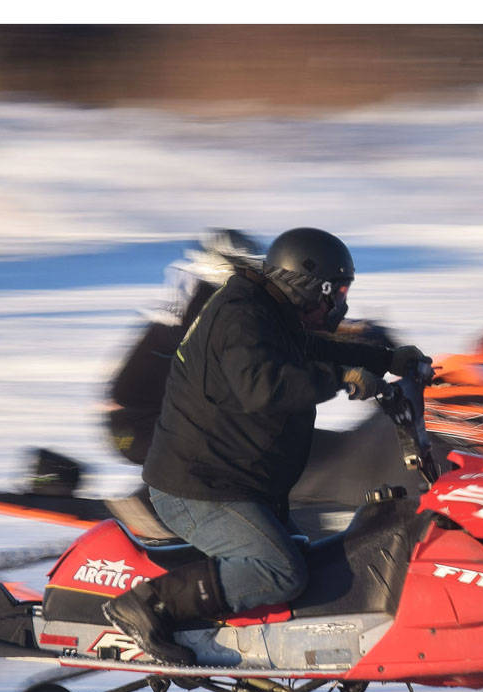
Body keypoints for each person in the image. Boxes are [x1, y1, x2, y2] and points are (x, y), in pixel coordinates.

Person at [102, 227, 428, 664]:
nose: (340, 304)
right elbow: (262, 386)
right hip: (198, 488)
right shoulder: (239, 317)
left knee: (309, 563)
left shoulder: (266, 310)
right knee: (280, 572)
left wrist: (385, 360)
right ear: (310, 284)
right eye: (337, 292)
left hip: (231, 479)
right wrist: (341, 378)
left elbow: (311, 345)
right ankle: (147, 606)